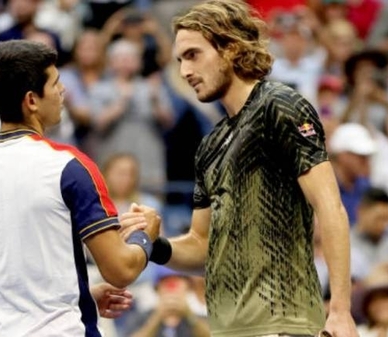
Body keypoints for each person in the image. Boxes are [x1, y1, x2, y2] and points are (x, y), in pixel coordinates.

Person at [130, 1, 358, 336]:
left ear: (231, 49)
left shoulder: (280, 106)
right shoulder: (209, 146)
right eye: (180, 60)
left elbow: (330, 207)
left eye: (193, 55)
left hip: (283, 325)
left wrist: (339, 309)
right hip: (225, 329)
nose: (184, 71)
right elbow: (202, 244)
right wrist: (152, 244)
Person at [0, 40, 160, 336]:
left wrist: (82, 296)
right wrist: (145, 234)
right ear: (32, 100)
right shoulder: (69, 166)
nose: (63, 91)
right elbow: (121, 270)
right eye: (56, 84)